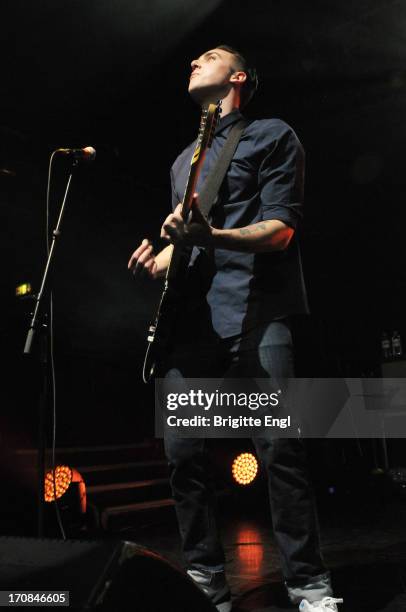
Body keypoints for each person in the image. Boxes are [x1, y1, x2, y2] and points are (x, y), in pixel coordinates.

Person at [128, 44, 343, 612]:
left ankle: (309, 584)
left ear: (239, 76)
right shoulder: (182, 162)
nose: (194, 61)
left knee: (280, 452)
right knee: (181, 455)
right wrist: (160, 262)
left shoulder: (271, 135)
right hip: (192, 326)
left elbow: (280, 230)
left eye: (210, 55)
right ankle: (205, 579)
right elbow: (188, 247)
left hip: (254, 312)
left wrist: (209, 238)